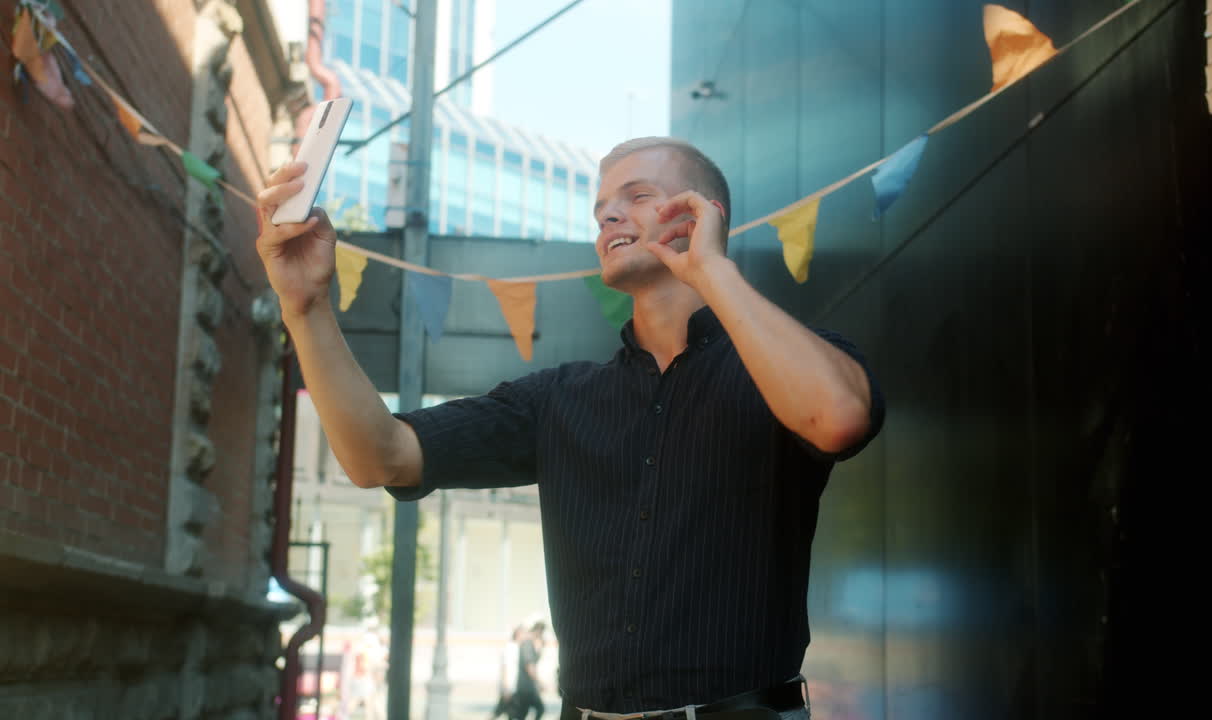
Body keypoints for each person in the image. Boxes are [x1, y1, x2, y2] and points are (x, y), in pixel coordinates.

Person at [255, 137, 885, 720]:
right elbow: (379, 457)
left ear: (703, 215)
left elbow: (840, 417)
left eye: (637, 197)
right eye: (600, 209)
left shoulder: (783, 365)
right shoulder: (557, 399)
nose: (609, 217)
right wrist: (304, 306)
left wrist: (712, 272)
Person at [511, 620, 548, 720]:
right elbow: (530, 667)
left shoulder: (530, 643)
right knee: (539, 709)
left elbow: (533, 662)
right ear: (538, 630)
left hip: (527, 687)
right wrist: (540, 682)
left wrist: (540, 648)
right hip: (526, 687)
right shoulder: (527, 643)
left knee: (522, 714)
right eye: (542, 632)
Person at [492, 624, 524, 720]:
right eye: (524, 634)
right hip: (509, 688)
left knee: (510, 713)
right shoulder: (510, 648)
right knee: (499, 712)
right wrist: (506, 688)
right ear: (518, 634)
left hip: (512, 688)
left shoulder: (517, 648)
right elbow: (505, 668)